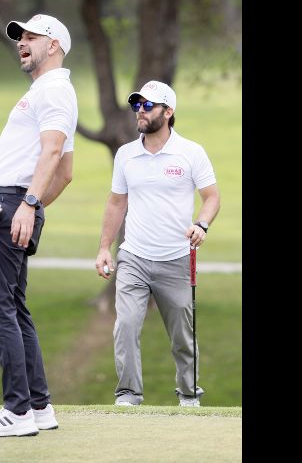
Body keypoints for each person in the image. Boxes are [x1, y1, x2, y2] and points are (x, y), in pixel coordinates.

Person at [0, 14, 77, 437]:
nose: (21, 42)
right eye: (20, 37)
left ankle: (17, 412)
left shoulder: (54, 90)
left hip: (7, 203)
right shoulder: (47, 91)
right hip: (13, 203)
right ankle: (38, 406)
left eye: (32, 36)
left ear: (54, 45)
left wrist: (27, 205)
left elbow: (53, 155)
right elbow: (65, 173)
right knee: (14, 307)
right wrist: (29, 206)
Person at [94, 80, 220, 407]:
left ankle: (189, 395)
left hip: (176, 259)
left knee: (182, 336)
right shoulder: (126, 154)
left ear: (168, 111)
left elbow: (211, 197)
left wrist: (201, 224)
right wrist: (105, 247)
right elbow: (116, 203)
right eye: (137, 105)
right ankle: (128, 395)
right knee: (125, 326)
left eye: (148, 105)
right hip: (133, 257)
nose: (140, 110)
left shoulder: (191, 152)